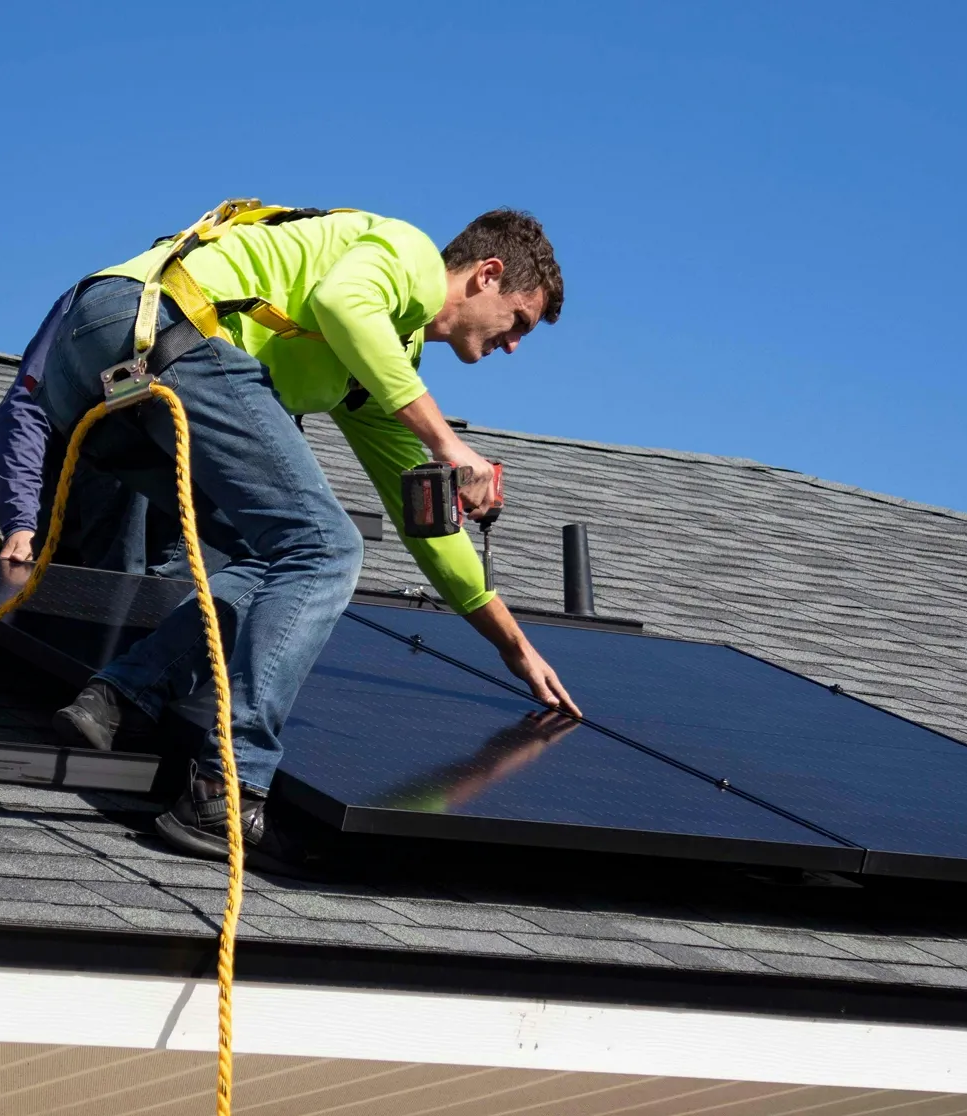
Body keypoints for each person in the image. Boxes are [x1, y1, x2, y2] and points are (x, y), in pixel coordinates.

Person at [35, 205, 581, 871]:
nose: (515, 344)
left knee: (275, 557)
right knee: (326, 547)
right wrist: (449, 443)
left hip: (96, 374)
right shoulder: (405, 255)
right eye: (518, 321)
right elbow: (344, 302)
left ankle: (120, 696)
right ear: (487, 275)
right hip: (160, 328)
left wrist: (515, 648)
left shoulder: (381, 368)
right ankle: (225, 789)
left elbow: (426, 527)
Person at [0, 288, 185, 576]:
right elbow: (27, 413)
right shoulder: (113, 298)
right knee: (124, 440)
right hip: (45, 485)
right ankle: (115, 591)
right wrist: (21, 524)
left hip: (140, 486)